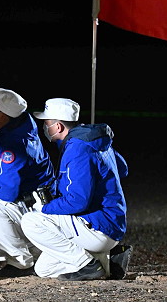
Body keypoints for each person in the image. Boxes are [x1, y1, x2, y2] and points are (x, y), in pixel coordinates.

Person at [19, 98, 132, 281]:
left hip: (99, 226)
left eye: (47, 123)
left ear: (58, 126)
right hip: (109, 225)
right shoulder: (93, 140)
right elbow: (123, 169)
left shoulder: (78, 148)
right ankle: (107, 262)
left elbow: (78, 201)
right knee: (44, 269)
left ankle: (86, 265)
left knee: (31, 220)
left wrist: (45, 208)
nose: (44, 127)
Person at [0, 60, 54, 277]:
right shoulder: (17, 122)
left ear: (2, 116)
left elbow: (6, 191)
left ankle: (21, 263)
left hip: (35, 209)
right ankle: (38, 252)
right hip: (29, 204)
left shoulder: (13, 145)